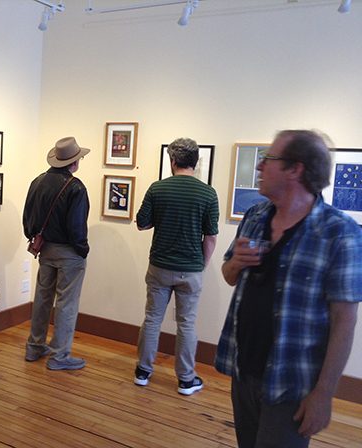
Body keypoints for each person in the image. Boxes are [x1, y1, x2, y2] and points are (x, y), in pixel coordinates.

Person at [215, 130, 362, 448]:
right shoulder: (255, 217)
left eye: (267, 160)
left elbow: (344, 321)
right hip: (244, 371)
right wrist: (237, 263)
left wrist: (323, 394)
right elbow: (228, 275)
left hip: (291, 383)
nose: (258, 167)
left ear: (295, 169)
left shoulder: (339, 233)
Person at [134, 137, 219, 395]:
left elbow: (142, 224)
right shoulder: (208, 193)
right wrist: (200, 265)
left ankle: (143, 372)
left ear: (172, 161)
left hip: (159, 266)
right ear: (195, 162)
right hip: (190, 270)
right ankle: (185, 379)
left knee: (152, 319)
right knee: (186, 324)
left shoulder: (157, 189)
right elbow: (211, 237)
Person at [23, 136, 90, 370]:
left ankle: (34, 346)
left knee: (42, 297)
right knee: (66, 303)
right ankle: (60, 355)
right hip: (69, 253)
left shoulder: (38, 181)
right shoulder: (76, 187)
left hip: (45, 249)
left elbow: (27, 217)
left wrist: (33, 236)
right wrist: (83, 250)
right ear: (75, 162)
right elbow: (76, 227)